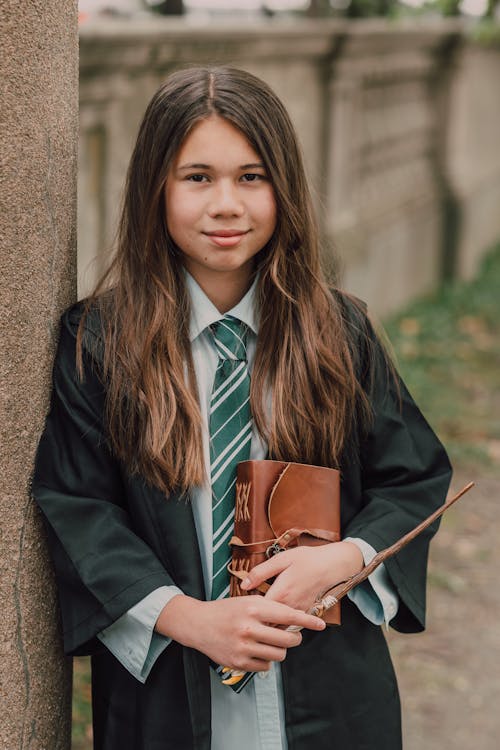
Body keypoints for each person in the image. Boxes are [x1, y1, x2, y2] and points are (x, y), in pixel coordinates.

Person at [33, 66, 452, 750]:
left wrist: (348, 555)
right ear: (153, 191)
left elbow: (413, 479)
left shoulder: (336, 335)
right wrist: (184, 617)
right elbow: (80, 506)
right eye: (197, 177)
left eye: (251, 177)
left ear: (283, 187)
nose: (226, 204)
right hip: (167, 691)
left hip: (326, 695)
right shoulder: (99, 344)